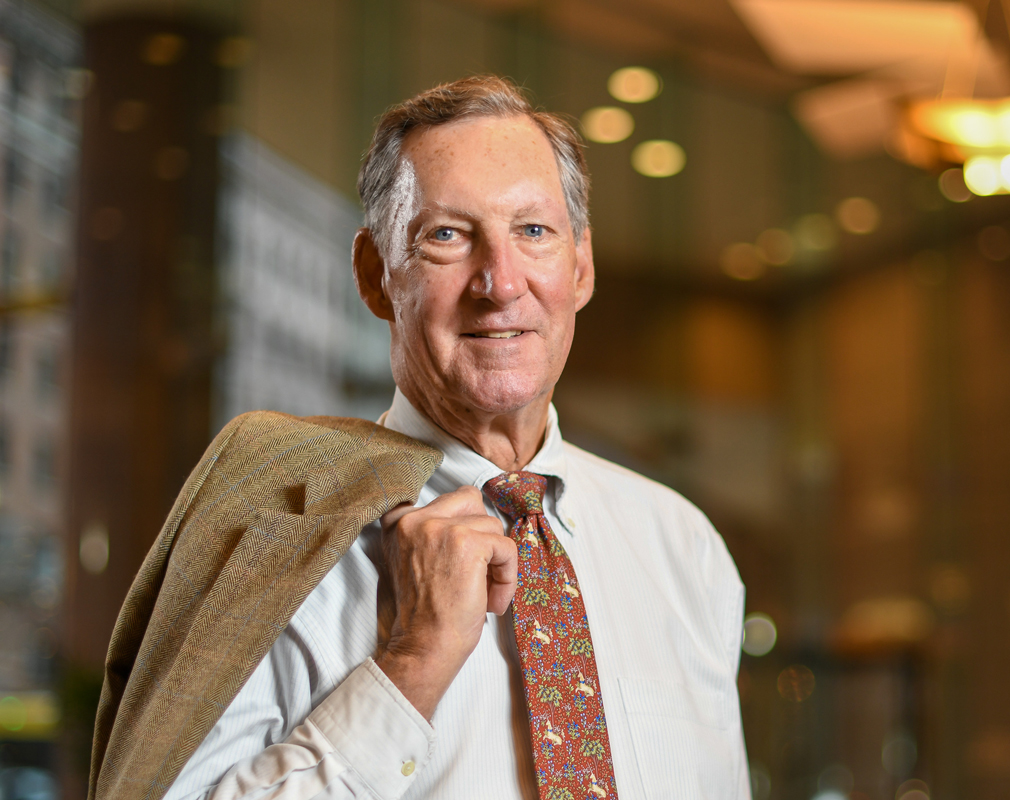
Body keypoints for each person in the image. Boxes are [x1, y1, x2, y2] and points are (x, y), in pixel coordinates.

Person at [88, 76, 750, 800]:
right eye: (447, 236)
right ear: (375, 276)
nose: (500, 283)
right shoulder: (276, 528)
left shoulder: (687, 549)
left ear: (581, 267)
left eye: (533, 231)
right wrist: (413, 661)